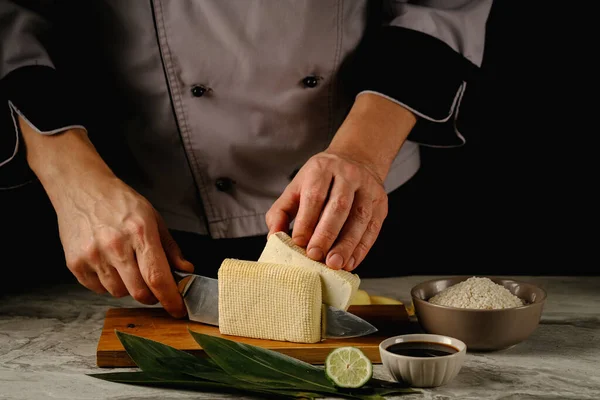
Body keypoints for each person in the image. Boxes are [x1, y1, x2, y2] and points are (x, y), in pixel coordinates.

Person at [0, 1, 493, 317]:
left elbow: (441, 7)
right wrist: (73, 182)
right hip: (134, 212)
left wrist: (362, 153)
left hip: (356, 197)